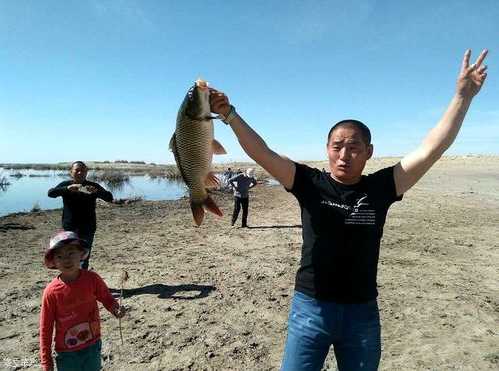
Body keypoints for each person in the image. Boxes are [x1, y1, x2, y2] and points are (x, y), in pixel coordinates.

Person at [210, 49, 488, 370]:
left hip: (361, 313)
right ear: (327, 150)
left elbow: (431, 148)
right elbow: (263, 152)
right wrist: (229, 114)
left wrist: (462, 96)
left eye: (354, 147)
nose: (344, 155)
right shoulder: (308, 182)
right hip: (310, 308)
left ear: (368, 152)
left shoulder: (382, 187)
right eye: (337, 147)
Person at [39, 230, 126, 371]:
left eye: (71, 253)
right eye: (60, 256)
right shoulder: (51, 292)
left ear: (81, 254)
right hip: (66, 353)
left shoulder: (92, 279)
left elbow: (106, 298)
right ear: (54, 261)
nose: (66, 260)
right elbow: (45, 329)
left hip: (92, 344)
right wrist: (46, 362)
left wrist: (116, 309)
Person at [48, 161, 113, 269]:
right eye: (77, 170)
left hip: (88, 227)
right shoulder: (66, 185)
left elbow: (109, 197)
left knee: (84, 255)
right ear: (71, 172)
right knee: (69, 255)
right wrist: (67, 189)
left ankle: (83, 281)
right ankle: (71, 280)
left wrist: (96, 192)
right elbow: (51, 193)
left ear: (86, 172)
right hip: (69, 227)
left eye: (82, 170)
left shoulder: (92, 186)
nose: (79, 173)